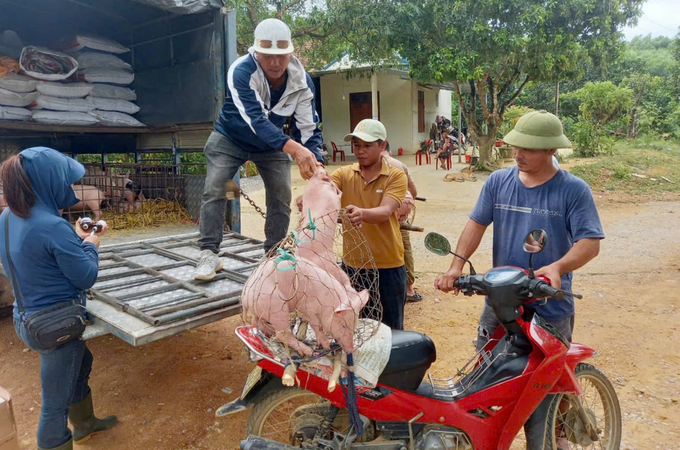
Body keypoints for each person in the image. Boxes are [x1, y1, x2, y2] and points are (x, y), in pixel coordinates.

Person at [434, 110, 604, 449]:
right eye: (516, 147)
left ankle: (553, 438)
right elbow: (476, 224)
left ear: (551, 150)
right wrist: (456, 266)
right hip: (500, 304)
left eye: (529, 149)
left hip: (550, 308)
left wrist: (557, 267)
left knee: (545, 390)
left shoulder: (573, 190)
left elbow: (590, 243)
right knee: (487, 382)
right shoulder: (499, 182)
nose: (518, 154)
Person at [0, 148, 117, 450]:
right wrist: (90, 243)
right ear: (47, 181)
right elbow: (86, 276)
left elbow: (38, 256)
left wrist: (72, 239)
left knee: (82, 360)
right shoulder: (53, 226)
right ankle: (57, 441)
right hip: (55, 325)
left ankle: (86, 424)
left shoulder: (6, 217)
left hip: (25, 316)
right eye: (64, 181)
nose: (69, 189)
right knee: (54, 406)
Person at [194, 18, 324, 280]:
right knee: (215, 187)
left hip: (271, 143)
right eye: (268, 56)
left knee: (281, 194)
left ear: (291, 53)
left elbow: (308, 129)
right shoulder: (240, 71)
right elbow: (255, 120)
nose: (275, 63)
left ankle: (273, 256)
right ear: (256, 52)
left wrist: (317, 163)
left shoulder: (302, 82)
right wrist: (295, 150)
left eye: (281, 56)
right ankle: (208, 253)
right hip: (229, 137)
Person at [331, 119, 408, 330]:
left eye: (367, 145)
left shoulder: (396, 176)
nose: (360, 151)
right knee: (354, 328)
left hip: (388, 267)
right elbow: (326, 188)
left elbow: (385, 212)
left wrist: (362, 214)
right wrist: (310, 194)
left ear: (382, 146)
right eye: (356, 145)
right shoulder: (343, 174)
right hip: (353, 267)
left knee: (390, 331)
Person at [381, 142, 422, 302]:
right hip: (402, 206)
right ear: (389, 151)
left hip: (382, 208)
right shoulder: (399, 164)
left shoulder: (368, 164)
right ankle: (409, 288)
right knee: (404, 245)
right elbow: (414, 191)